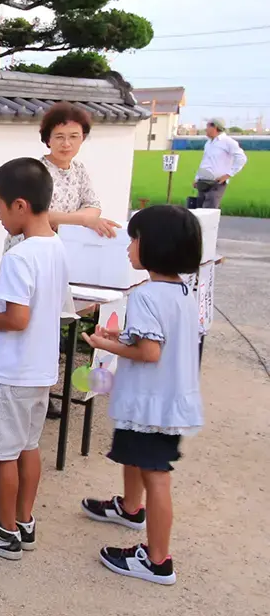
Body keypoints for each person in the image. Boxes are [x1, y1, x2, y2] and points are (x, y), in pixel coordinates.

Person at [81, 205, 203, 586]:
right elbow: (158, 338)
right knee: (137, 460)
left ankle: (157, 561)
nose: (129, 247)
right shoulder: (181, 289)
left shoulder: (147, 294)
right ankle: (130, 509)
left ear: (156, 247)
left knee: (157, 476)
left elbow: (150, 352)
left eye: (134, 239)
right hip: (165, 401)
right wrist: (122, 337)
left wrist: (106, 345)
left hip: (152, 404)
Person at [0, 157, 69, 561]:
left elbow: (17, 318)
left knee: (3, 453)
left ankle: (2, 532)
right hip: (38, 371)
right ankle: (24, 519)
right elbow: (35, 304)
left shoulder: (19, 256)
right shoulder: (53, 246)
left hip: (9, 372)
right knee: (28, 446)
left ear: (19, 206)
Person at [4, 103, 120, 253]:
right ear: (48, 139)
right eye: (59, 137)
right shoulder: (34, 171)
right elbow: (35, 215)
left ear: (82, 138)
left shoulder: (79, 169)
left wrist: (65, 220)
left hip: (63, 247)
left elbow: (93, 206)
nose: (66, 144)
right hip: (29, 249)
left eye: (73, 136)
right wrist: (83, 220)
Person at [192, 118, 247, 209]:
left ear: (215, 127)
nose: (206, 129)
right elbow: (205, 162)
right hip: (202, 182)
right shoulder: (208, 143)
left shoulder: (228, 142)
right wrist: (197, 178)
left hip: (216, 183)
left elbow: (241, 158)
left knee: (209, 211)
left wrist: (228, 175)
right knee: (198, 210)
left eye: (208, 126)